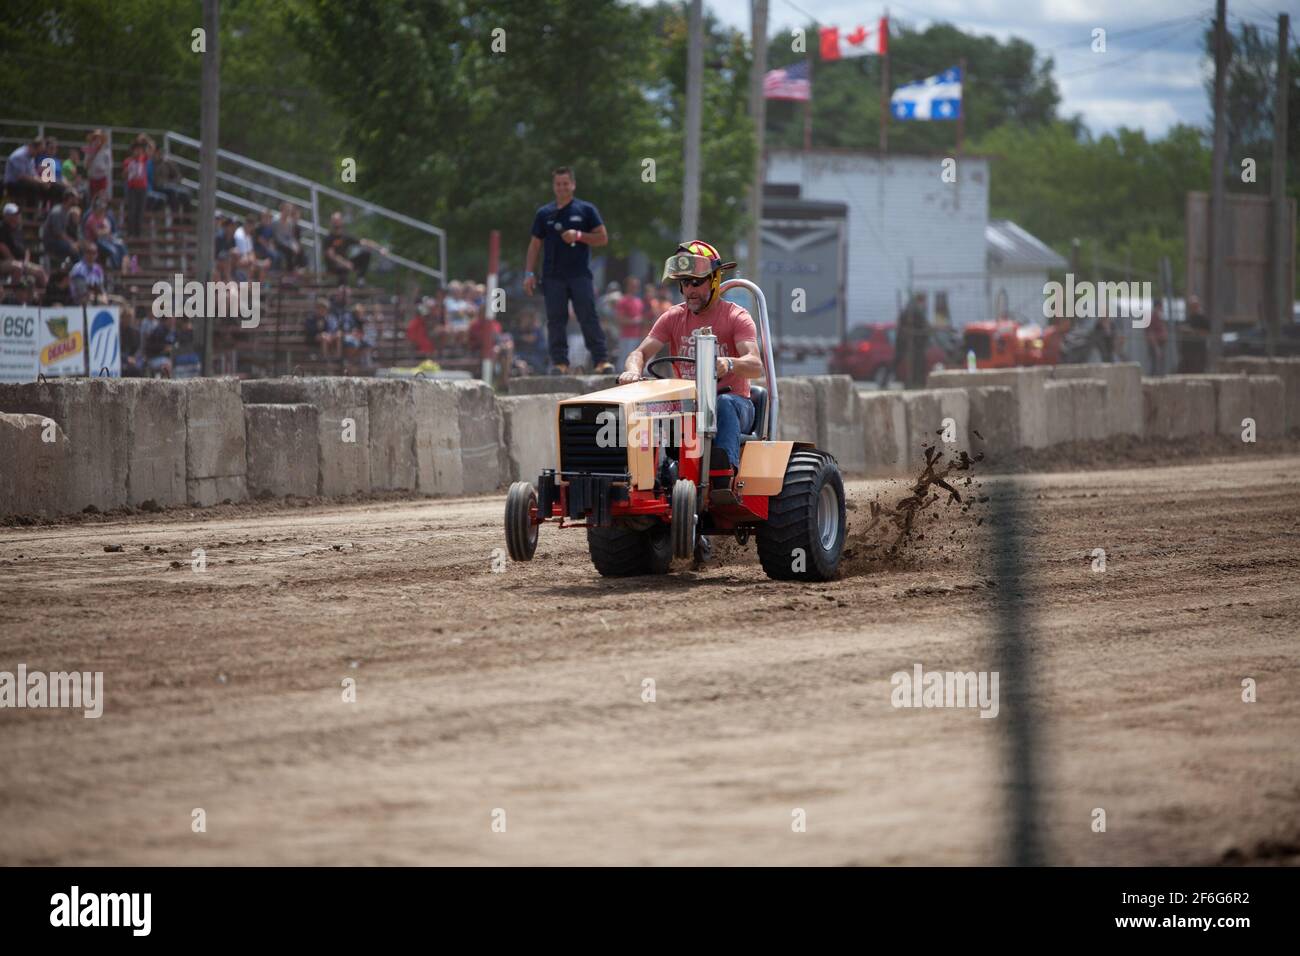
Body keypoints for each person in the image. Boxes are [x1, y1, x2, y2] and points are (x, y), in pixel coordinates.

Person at [619, 240, 763, 484]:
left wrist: (728, 363)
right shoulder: (673, 317)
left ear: (715, 281)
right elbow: (639, 353)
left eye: (697, 282)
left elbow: (755, 363)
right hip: (687, 405)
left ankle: (722, 476)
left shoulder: (736, 317)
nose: (690, 290)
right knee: (645, 409)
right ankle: (646, 477)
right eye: (685, 283)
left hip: (735, 404)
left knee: (723, 403)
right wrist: (632, 372)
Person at [523, 165, 613, 374]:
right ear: (554, 186)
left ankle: (601, 360)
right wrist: (529, 273)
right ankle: (559, 363)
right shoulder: (544, 213)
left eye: (566, 183)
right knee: (556, 319)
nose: (562, 187)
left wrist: (579, 235)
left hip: (580, 274)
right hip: (552, 276)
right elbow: (535, 245)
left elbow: (603, 238)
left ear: (573, 184)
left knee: (588, 315)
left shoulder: (586, 210)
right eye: (558, 184)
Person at [323, 211, 385, 285]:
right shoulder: (328, 238)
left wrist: (380, 248)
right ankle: (342, 290)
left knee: (366, 254)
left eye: (338, 220)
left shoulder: (346, 236)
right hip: (334, 266)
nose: (336, 222)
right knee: (342, 268)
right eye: (334, 220)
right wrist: (345, 263)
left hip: (346, 264)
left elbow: (364, 242)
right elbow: (331, 256)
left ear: (341, 221)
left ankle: (360, 279)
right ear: (331, 222)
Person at [0, 201, 48, 287]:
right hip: (4, 261)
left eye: (17, 213)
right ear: (6, 215)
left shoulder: (18, 230)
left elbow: (25, 249)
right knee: (18, 267)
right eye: (13, 214)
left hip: (20, 262)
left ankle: (47, 296)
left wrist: (26, 261)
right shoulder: (2, 228)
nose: (17, 216)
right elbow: (2, 247)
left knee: (40, 271)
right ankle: (13, 295)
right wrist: (15, 261)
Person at [4, 137, 62, 203]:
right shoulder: (19, 156)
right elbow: (21, 176)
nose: (38, 154)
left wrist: (43, 182)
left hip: (25, 182)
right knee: (34, 187)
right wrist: (40, 182)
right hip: (13, 183)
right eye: (38, 152)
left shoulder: (31, 157)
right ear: (33, 147)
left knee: (51, 187)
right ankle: (30, 211)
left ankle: (45, 210)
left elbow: (33, 173)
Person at [616, 275, 647, 362]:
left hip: (638, 336)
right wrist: (636, 321)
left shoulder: (639, 301)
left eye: (637, 285)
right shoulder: (623, 300)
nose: (636, 287)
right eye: (633, 285)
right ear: (628, 286)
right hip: (626, 337)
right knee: (624, 361)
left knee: (635, 360)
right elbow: (620, 319)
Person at [122, 141, 149, 237]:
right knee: (132, 210)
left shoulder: (144, 159)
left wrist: (145, 139)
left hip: (142, 188)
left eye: (140, 150)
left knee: (140, 211)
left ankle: (138, 233)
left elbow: (151, 150)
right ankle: (130, 232)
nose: (138, 152)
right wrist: (126, 170)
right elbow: (124, 176)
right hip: (132, 188)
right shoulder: (128, 161)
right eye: (136, 150)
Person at [84, 130, 112, 202]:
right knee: (92, 198)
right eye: (95, 139)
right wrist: (91, 156)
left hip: (102, 178)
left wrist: (103, 169)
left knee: (102, 198)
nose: (97, 141)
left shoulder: (106, 151)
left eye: (99, 139)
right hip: (92, 178)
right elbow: (85, 166)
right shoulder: (89, 150)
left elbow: (110, 165)